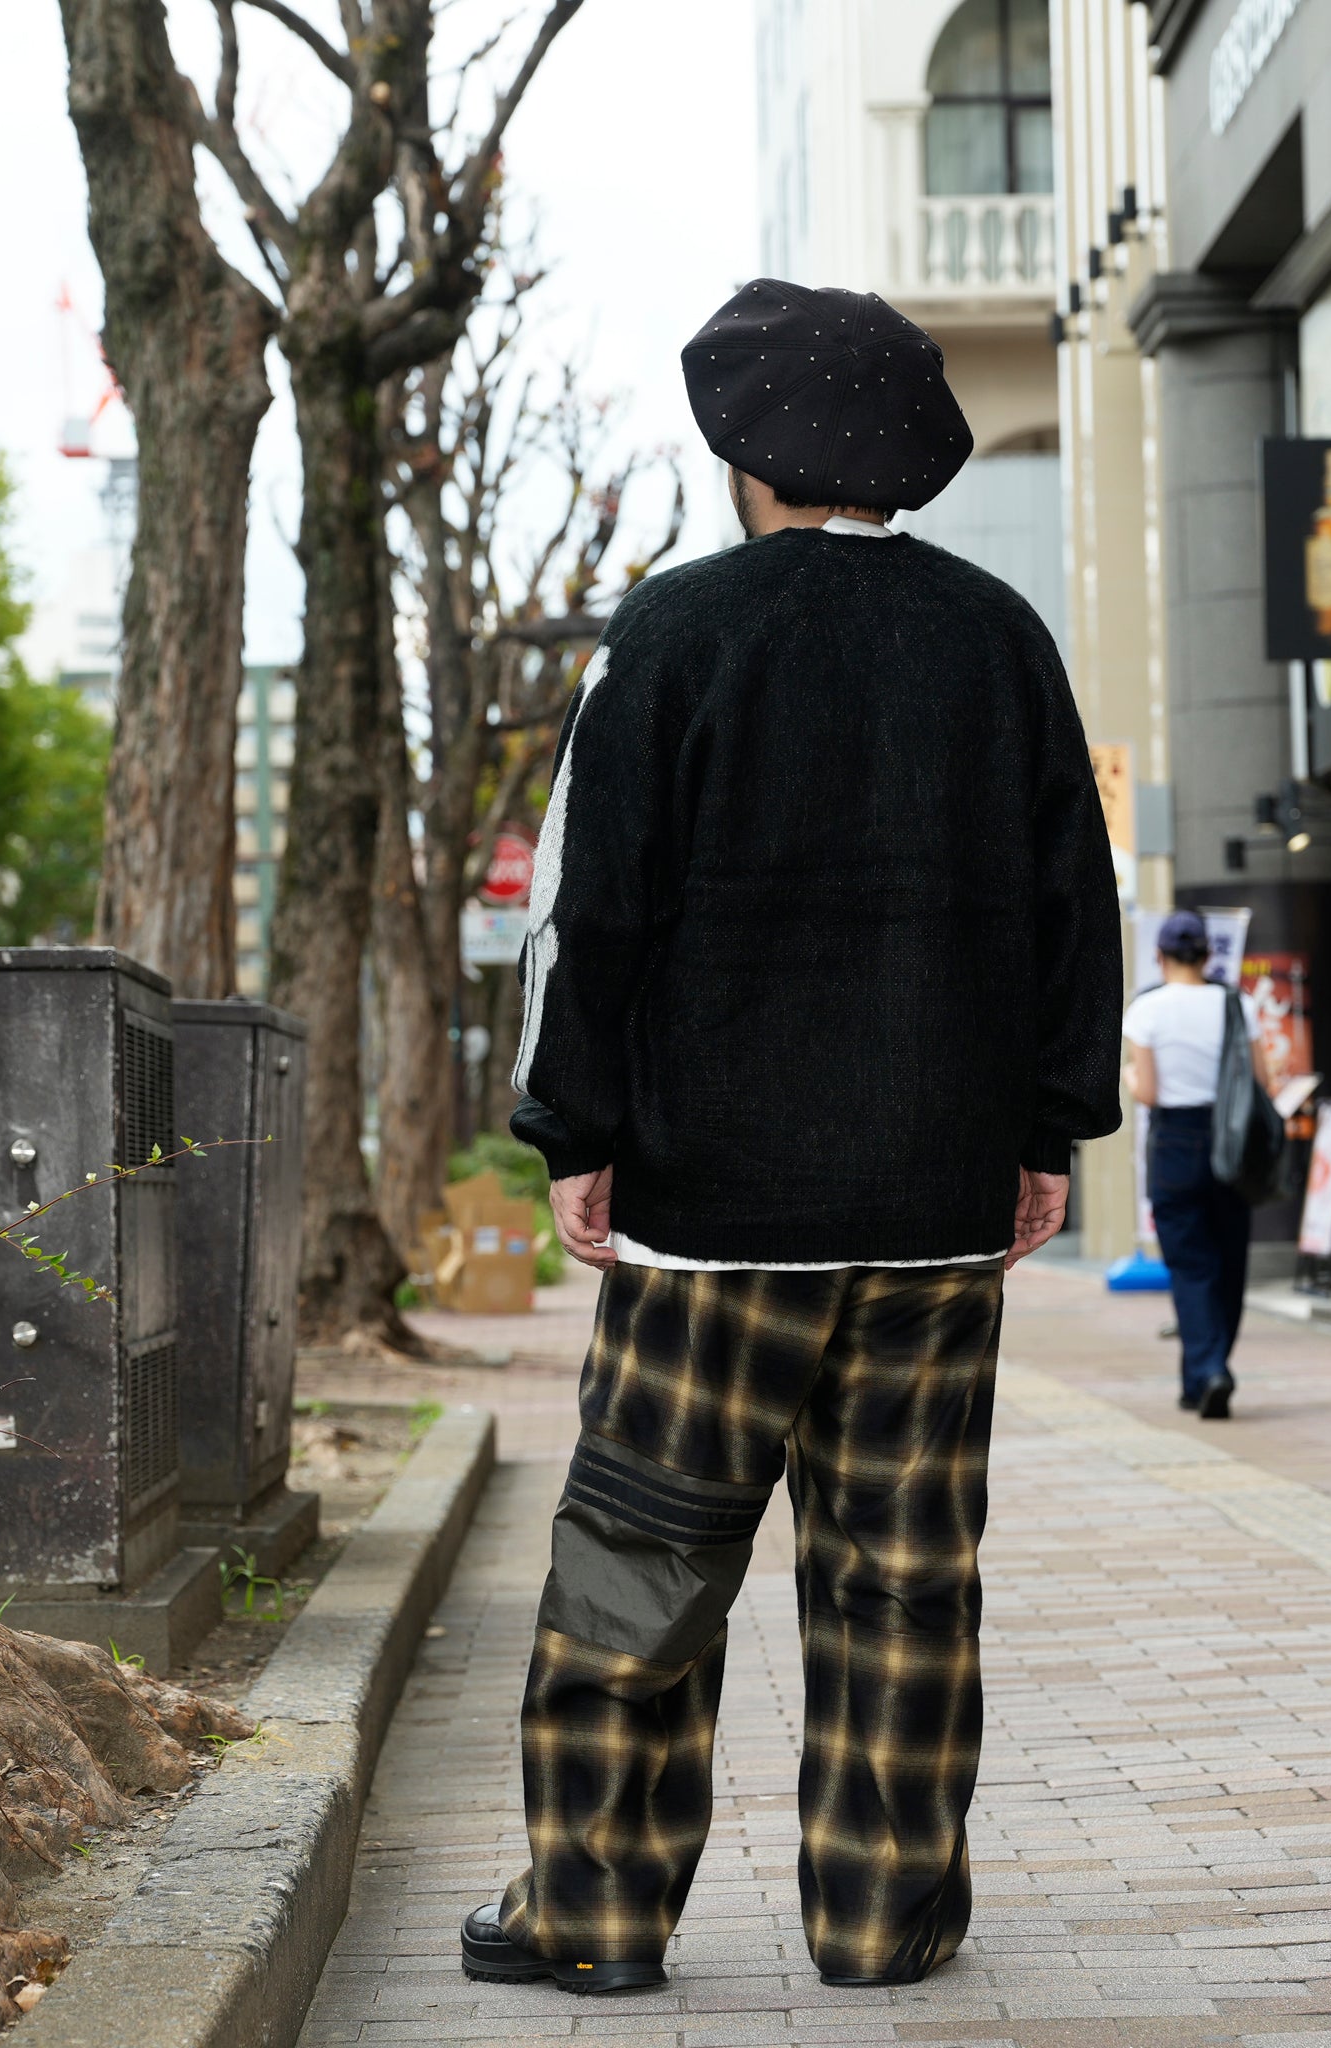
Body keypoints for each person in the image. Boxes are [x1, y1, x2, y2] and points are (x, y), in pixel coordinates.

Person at [456, 279, 1123, 1998]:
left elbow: (589, 911)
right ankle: (877, 1917)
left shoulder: (673, 634)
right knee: (902, 1585)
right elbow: (1070, 909)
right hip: (928, 1209)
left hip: (711, 1214)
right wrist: (1045, 1125)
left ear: (744, 450)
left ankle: (592, 1912)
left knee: (639, 1559)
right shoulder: (997, 639)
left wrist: (575, 1128)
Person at [1121, 910, 1266, 1420]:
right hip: (1231, 1143)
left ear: (1160, 958)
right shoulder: (1236, 1004)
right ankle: (1208, 1371)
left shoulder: (1147, 1011)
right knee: (1228, 1263)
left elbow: (1149, 1091)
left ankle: (1205, 1373)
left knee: (1190, 1266)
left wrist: (1128, 1076)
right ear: (1208, 955)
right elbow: (1258, 1081)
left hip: (1175, 1143)